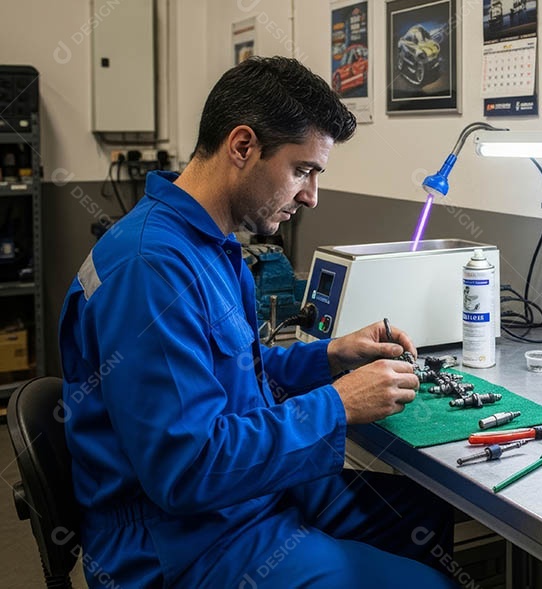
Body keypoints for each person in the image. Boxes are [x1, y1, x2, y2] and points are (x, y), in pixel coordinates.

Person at [59, 57, 456, 588]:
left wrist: (331, 355)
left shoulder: (212, 246)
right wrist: (338, 404)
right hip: (181, 544)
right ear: (243, 147)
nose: (311, 196)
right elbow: (189, 466)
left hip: (240, 503)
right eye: (303, 170)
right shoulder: (150, 269)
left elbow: (233, 378)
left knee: (421, 514)